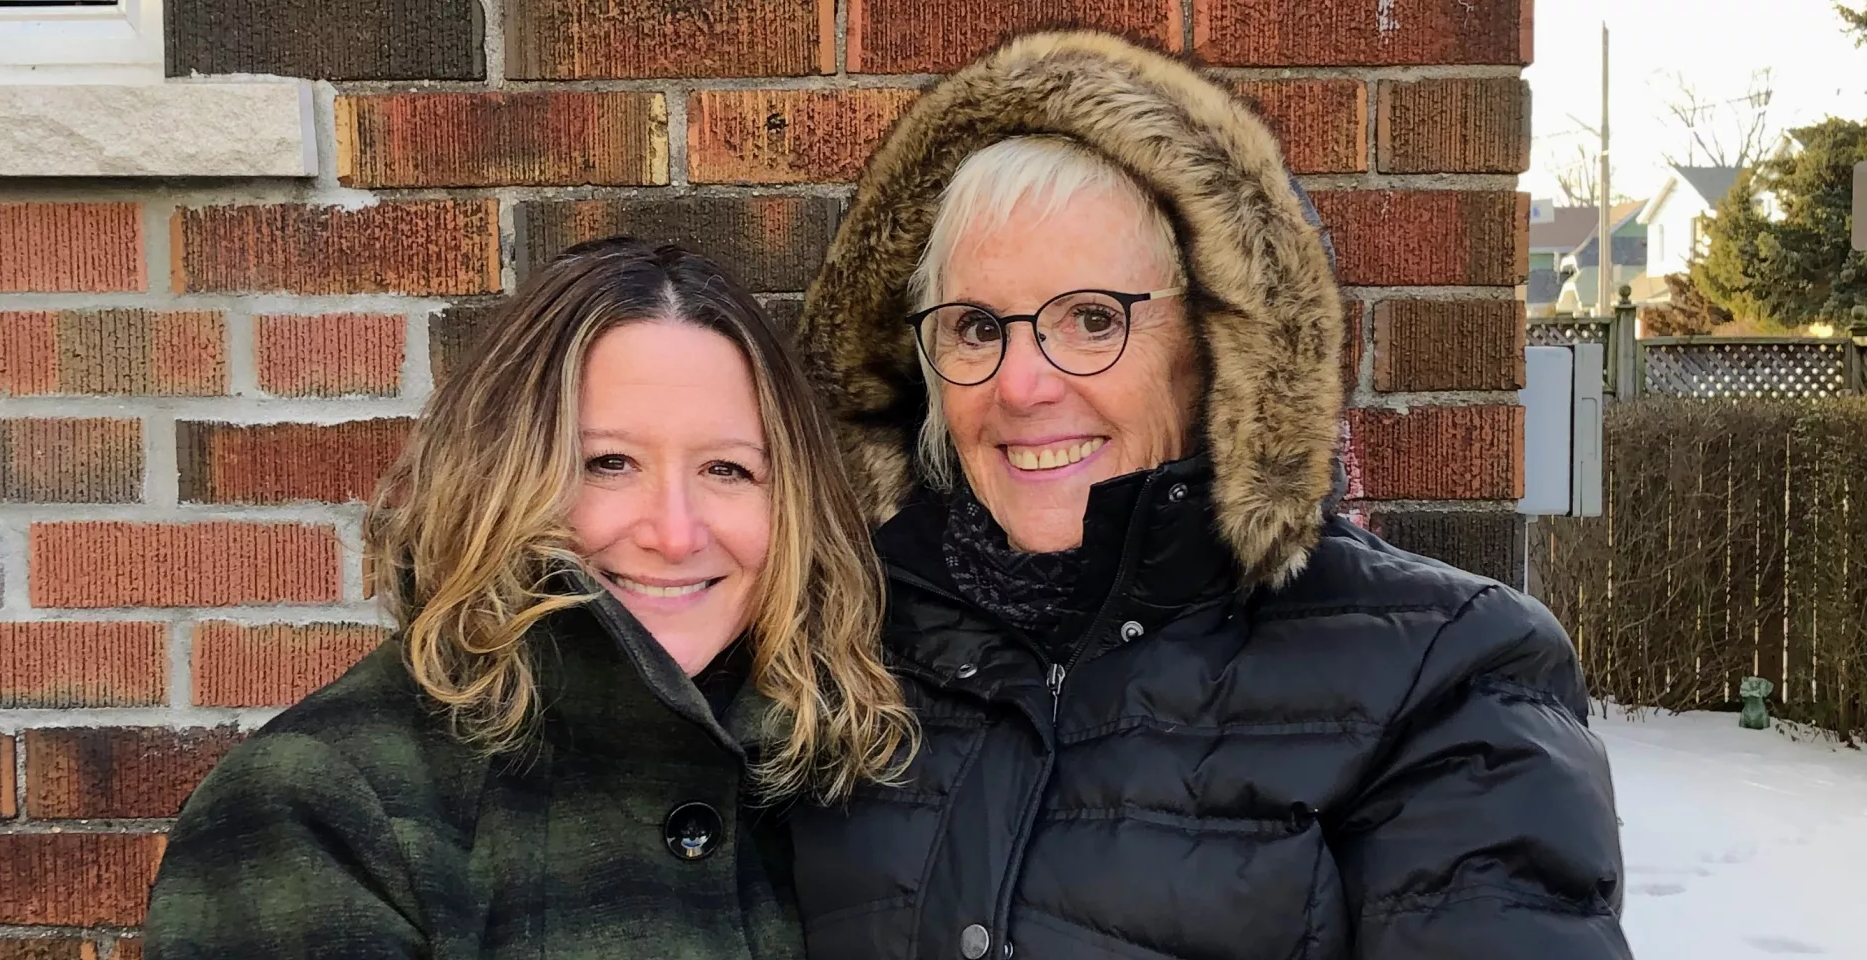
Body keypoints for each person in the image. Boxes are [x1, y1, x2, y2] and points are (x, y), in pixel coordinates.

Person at [789, 31, 1631, 960]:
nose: (1021, 386)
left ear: (1218, 347)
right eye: (978, 326)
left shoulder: (1448, 672)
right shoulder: (831, 648)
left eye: (1094, 317)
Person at [144, 238, 916, 959]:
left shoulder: (846, 766)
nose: (676, 534)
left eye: (727, 470)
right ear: (501, 478)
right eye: (608, 463)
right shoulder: (324, 807)